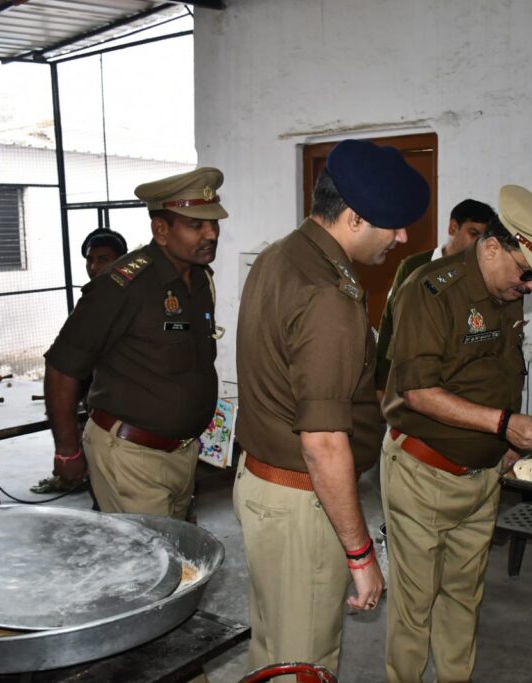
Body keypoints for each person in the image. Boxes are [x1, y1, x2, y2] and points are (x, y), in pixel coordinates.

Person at [232, 139, 429, 675]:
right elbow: (322, 443)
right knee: (305, 662)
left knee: (274, 650)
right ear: (355, 217)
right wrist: (361, 554)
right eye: (395, 224)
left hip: (264, 483)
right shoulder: (327, 294)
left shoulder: (281, 255)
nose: (402, 237)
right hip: (302, 501)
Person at [381, 184, 532, 682]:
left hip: (484, 474)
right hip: (424, 474)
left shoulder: (506, 291)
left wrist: (509, 443)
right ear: (492, 247)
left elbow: (498, 374)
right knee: (414, 606)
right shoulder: (431, 291)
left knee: (464, 597)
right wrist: (503, 424)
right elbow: (418, 392)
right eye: (528, 273)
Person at [43, 168, 227, 519]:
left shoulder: (199, 279)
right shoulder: (121, 287)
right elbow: (62, 367)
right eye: (196, 225)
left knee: (178, 549)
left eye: (214, 223)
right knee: (151, 553)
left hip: (182, 453)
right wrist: (67, 450)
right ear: (161, 230)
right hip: (131, 456)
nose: (211, 234)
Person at [31, 227, 128, 495]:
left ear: (122, 260)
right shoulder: (92, 299)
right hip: (95, 400)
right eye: (90, 260)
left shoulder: (130, 298)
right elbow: (65, 365)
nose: (94, 267)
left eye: (102, 259)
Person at [374, 198, 495, 394]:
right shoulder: (414, 267)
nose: (478, 243)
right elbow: (390, 321)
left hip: (456, 380)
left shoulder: (482, 274)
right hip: (409, 373)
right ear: (453, 227)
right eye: (473, 234)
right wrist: (380, 382)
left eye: (483, 238)